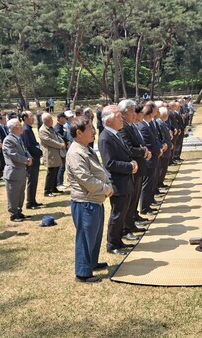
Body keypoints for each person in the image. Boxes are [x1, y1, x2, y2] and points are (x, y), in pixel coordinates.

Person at [68, 116, 113, 283]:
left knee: (94, 235)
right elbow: (85, 179)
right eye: (90, 129)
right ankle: (82, 272)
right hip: (85, 202)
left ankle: (91, 262)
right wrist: (106, 188)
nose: (94, 132)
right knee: (85, 238)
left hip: (94, 200)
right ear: (79, 133)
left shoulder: (85, 148)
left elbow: (97, 171)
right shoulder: (75, 152)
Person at [98, 105, 138, 255]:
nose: (122, 119)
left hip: (125, 180)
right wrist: (129, 166)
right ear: (108, 121)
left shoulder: (116, 134)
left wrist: (131, 164)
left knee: (123, 212)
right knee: (117, 214)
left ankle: (118, 240)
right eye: (118, 117)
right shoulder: (105, 138)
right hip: (117, 182)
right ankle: (112, 243)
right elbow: (109, 163)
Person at [118, 100, 150, 233]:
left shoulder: (131, 125)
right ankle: (127, 226)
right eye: (131, 111)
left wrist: (144, 151)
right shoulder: (123, 127)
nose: (134, 114)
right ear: (124, 113)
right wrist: (143, 152)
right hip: (132, 167)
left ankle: (132, 221)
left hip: (139, 166)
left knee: (134, 198)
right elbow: (129, 148)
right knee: (130, 201)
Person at [2, 118, 32, 221]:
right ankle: (13, 214)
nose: (22, 126)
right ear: (14, 128)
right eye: (20, 125)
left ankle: (19, 211)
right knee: (13, 194)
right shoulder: (8, 140)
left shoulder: (18, 138)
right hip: (13, 172)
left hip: (21, 171)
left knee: (20, 194)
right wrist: (26, 160)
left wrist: (29, 158)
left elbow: (24, 150)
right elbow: (13, 155)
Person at [138, 103, 163, 216]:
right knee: (147, 184)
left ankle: (148, 204)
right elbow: (148, 144)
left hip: (153, 158)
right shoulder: (143, 126)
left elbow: (154, 139)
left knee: (151, 184)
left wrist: (159, 149)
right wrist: (157, 151)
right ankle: (144, 207)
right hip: (149, 160)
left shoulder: (147, 124)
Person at [38, 113, 66, 197]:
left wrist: (62, 142)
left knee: (56, 171)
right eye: (50, 120)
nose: (52, 121)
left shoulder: (51, 128)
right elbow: (49, 141)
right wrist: (60, 145)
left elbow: (57, 137)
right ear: (46, 121)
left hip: (56, 153)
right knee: (51, 172)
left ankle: (54, 188)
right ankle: (47, 190)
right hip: (50, 154)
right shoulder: (43, 130)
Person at [21, 111, 43, 209]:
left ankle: (33, 200)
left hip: (35, 157)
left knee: (34, 181)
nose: (33, 118)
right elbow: (28, 146)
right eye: (31, 116)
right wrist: (39, 152)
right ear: (25, 118)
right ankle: (30, 202)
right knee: (31, 180)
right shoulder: (25, 129)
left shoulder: (28, 128)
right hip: (32, 158)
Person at [55, 112, 69, 188]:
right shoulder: (57, 127)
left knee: (63, 166)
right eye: (64, 118)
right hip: (60, 149)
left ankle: (60, 182)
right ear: (60, 119)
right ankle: (59, 183)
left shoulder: (62, 126)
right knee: (61, 166)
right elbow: (59, 137)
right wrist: (66, 140)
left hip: (64, 148)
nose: (65, 119)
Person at [0, 115, 9, 179]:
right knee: (2, 160)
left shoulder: (5, 127)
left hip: (7, 145)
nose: (6, 120)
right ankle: (1, 174)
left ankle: (6, 172)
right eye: (4, 119)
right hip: (2, 145)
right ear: (0, 120)